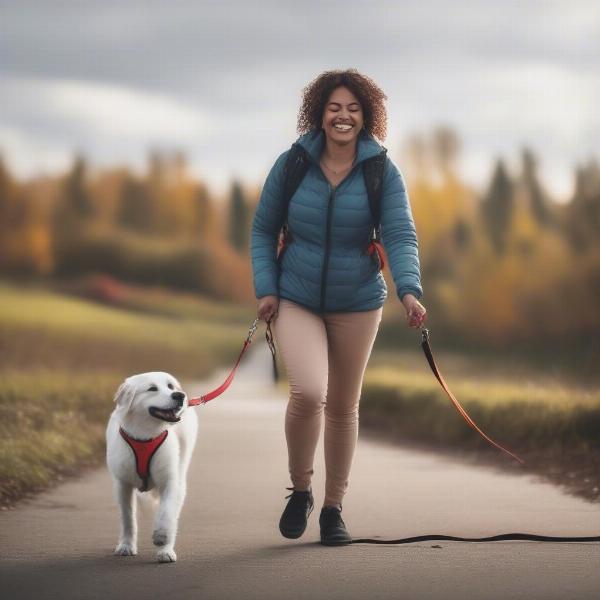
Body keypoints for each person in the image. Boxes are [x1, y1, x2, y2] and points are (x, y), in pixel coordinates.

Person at [250, 69, 427, 546]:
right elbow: (264, 229)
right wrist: (266, 287)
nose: (343, 116)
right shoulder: (293, 164)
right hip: (297, 295)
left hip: (359, 301)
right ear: (320, 113)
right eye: (335, 107)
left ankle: (333, 509)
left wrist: (409, 290)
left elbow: (399, 234)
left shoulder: (381, 171)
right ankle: (301, 490)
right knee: (309, 392)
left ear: (366, 115)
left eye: (353, 108)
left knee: (344, 407)